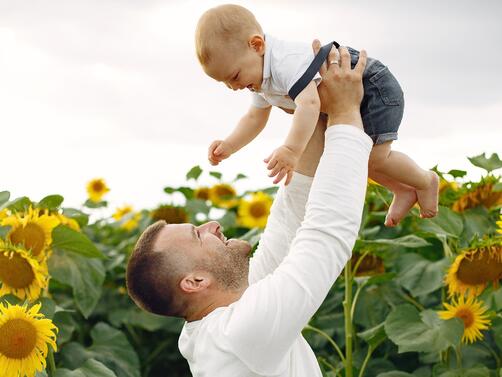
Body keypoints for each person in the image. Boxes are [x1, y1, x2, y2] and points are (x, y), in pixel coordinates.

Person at [126, 42, 371, 376]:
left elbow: (288, 230)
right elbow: (325, 236)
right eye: (198, 235)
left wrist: (318, 115)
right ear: (196, 281)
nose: (212, 224)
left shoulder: (220, 318)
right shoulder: (238, 335)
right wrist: (345, 113)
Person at [196, 4, 439, 227]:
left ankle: (425, 180)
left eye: (234, 76)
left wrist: (291, 150)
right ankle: (403, 190)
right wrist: (229, 144)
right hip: (354, 96)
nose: (234, 87)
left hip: (373, 87)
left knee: (373, 158)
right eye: (225, 83)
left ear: (257, 45)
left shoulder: (284, 63)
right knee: (361, 158)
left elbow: (309, 103)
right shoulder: (259, 78)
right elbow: (254, 118)